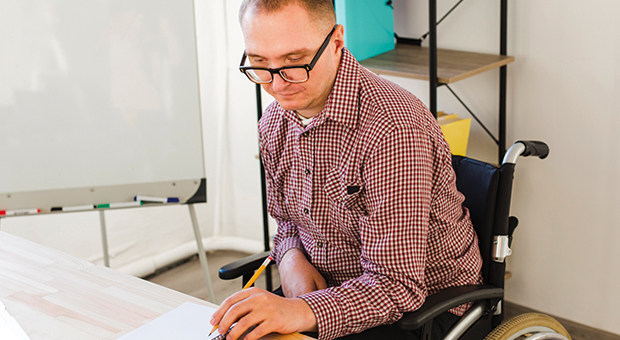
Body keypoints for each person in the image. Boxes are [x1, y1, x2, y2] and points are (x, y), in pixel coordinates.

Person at [210, 1, 483, 339]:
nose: (277, 84)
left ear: (337, 41)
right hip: (327, 289)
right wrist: (291, 257)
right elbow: (288, 222)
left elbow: (397, 286)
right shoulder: (274, 124)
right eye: (259, 63)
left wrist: (300, 310)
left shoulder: (392, 129)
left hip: (424, 308)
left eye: (295, 62)